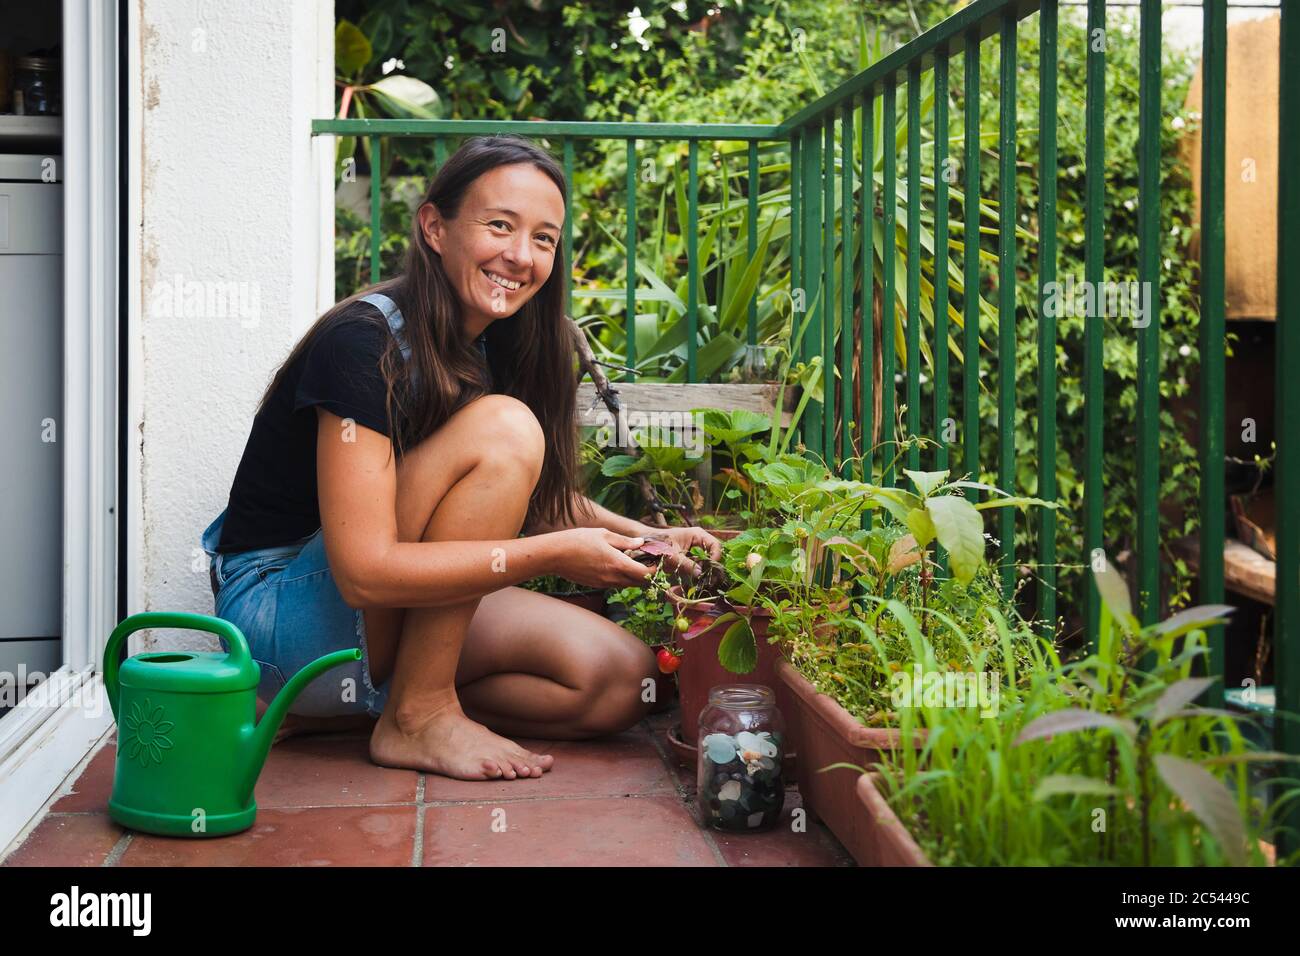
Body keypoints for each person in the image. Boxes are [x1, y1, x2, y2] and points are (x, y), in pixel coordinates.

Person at [199, 135, 720, 782]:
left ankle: (360, 709)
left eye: (544, 239)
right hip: (284, 615)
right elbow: (363, 573)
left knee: (618, 681)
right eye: (499, 226)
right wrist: (557, 555)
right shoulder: (362, 342)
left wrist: (650, 539)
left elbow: (542, 506)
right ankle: (417, 715)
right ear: (434, 228)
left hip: (375, 617)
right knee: (505, 428)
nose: (520, 256)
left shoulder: (501, 339)